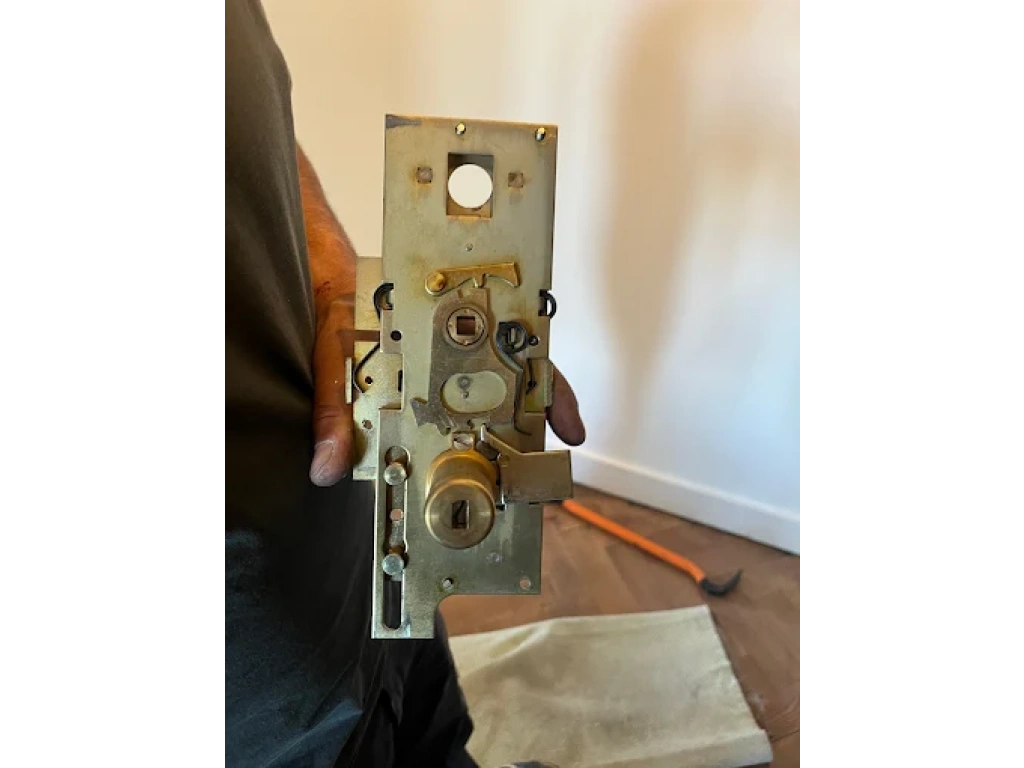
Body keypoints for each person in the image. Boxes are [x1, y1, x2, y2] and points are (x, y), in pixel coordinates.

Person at [224, 1, 586, 765]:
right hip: (267, 690)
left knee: (430, 718)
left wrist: (334, 282)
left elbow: (255, 124)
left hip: (372, 529)